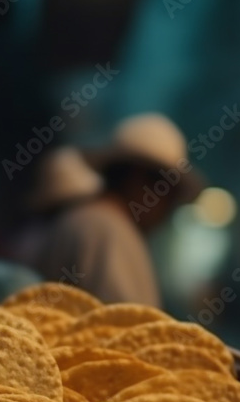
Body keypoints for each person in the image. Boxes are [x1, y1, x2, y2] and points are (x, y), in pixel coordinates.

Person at [29, 114, 203, 306]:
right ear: (139, 179)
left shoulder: (88, 220)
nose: (168, 208)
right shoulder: (107, 230)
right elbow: (127, 329)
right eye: (168, 193)